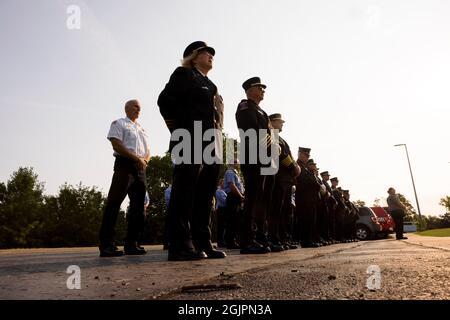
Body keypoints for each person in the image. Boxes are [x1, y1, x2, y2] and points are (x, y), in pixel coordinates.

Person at [158, 41, 226, 261]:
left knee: (205, 194)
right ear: (194, 57)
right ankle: (180, 245)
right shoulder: (184, 74)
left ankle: (202, 241)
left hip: (210, 141)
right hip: (189, 138)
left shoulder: (212, 85)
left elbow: (215, 118)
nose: (211, 56)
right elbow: (164, 101)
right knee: (184, 191)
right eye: (206, 52)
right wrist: (178, 131)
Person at [99, 99, 150, 257]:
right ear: (126, 108)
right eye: (135, 106)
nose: (138, 109)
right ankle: (107, 245)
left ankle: (132, 244)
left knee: (138, 208)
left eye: (140, 107)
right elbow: (116, 144)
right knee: (114, 203)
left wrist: (145, 161)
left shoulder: (142, 129)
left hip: (140, 168)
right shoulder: (119, 123)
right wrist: (135, 158)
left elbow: (148, 150)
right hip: (125, 165)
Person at [236, 76, 274, 254]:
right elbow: (250, 129)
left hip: (264, 158)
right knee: (251, 199)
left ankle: (260, 237)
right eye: (259, 87)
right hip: (252, 156)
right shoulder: (245, 106)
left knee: (260, 199)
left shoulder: (262, 112)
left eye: (263, 88)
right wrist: (270, 143)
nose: (263, 90)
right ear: (249, 90)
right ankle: (246, 240)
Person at [268, 113, 300, 251]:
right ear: (273, 122)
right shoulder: (272, 136)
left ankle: (283, 238)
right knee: (277, 210)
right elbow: (281, 155)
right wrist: (294, 166)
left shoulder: (281, 138)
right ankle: (274, 238)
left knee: (285, 211)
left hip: (286, 179)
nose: (282, 124)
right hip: (279, 177)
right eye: (280, 121)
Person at [295, 148, 322, 248]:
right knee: (305, 221)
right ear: (300, 154)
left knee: (310, 221)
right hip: (303, 199)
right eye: (305, 155)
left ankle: (309, 240)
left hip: (310, 200)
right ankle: (305, 241)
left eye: (308, 156)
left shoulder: (305, 168)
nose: (307, 157)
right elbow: (303, 181)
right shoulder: (297, 166)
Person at [223, 161, 244, 249]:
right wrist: (241, 196)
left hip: (236, 197)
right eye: (235, 162)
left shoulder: (236, 173)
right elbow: (232, 186)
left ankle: (234, 240)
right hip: (233, 197)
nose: (238, 163)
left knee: (235, 220)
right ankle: (230, 242)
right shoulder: (230, 172)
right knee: (231, 220)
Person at [215, 179, 228, 247]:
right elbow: (224, 201)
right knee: (221, 226)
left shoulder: (224, 191)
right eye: (223, 183)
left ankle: (223, 241)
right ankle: (220, 242)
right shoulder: (219, 191)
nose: (225, 184)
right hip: (220, 209)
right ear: (220, 183)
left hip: (224, 210)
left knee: (224, 226)